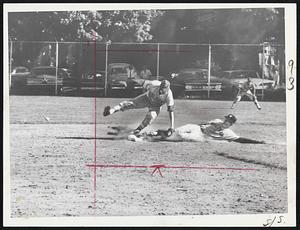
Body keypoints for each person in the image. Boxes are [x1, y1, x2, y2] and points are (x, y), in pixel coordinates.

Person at [126, 114, 265, 144]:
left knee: (179, 137)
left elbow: (241, 140)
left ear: (230, 124)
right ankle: (146, 135)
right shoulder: (217, 121)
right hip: (197, 128)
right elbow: (204, 122)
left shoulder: (228, 133)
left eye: (227, 121)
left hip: (201, 137)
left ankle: (144, 139)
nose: (224, 121)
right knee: (177, 130)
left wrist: (258, 142)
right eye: (225, 119)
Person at [103, 80, 175, 136]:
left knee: (151, 116)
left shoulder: (169, 95)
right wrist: (130, 81)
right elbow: (142, 81)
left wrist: (172, 127)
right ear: (160, 86)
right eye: (162, 88)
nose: (162, 90)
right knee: (130, 103)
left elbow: (170, 111)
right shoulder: (154, 84)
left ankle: (136, 131)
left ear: (168, 89)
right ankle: (111, 111)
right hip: (146, 98)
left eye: (164, 89)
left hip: (156, 106)